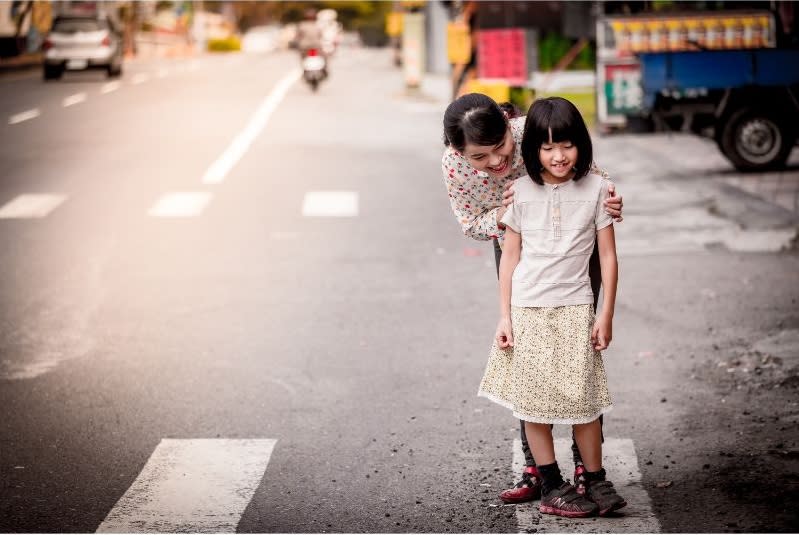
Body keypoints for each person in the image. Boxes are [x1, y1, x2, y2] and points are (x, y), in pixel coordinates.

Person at [441, 93, 624, 504]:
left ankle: (588, 471)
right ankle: (540, 471)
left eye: (502, 148)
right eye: (479, 157)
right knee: (530, 366)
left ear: (510, 126)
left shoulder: (537, 132)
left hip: (576, 252)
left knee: (580, 362)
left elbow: (593, 175)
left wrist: (610, 198)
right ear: (458, 153)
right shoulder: (455, 166)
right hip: (515, 248)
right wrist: (512, 212)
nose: (495, 163)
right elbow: (471, 222)